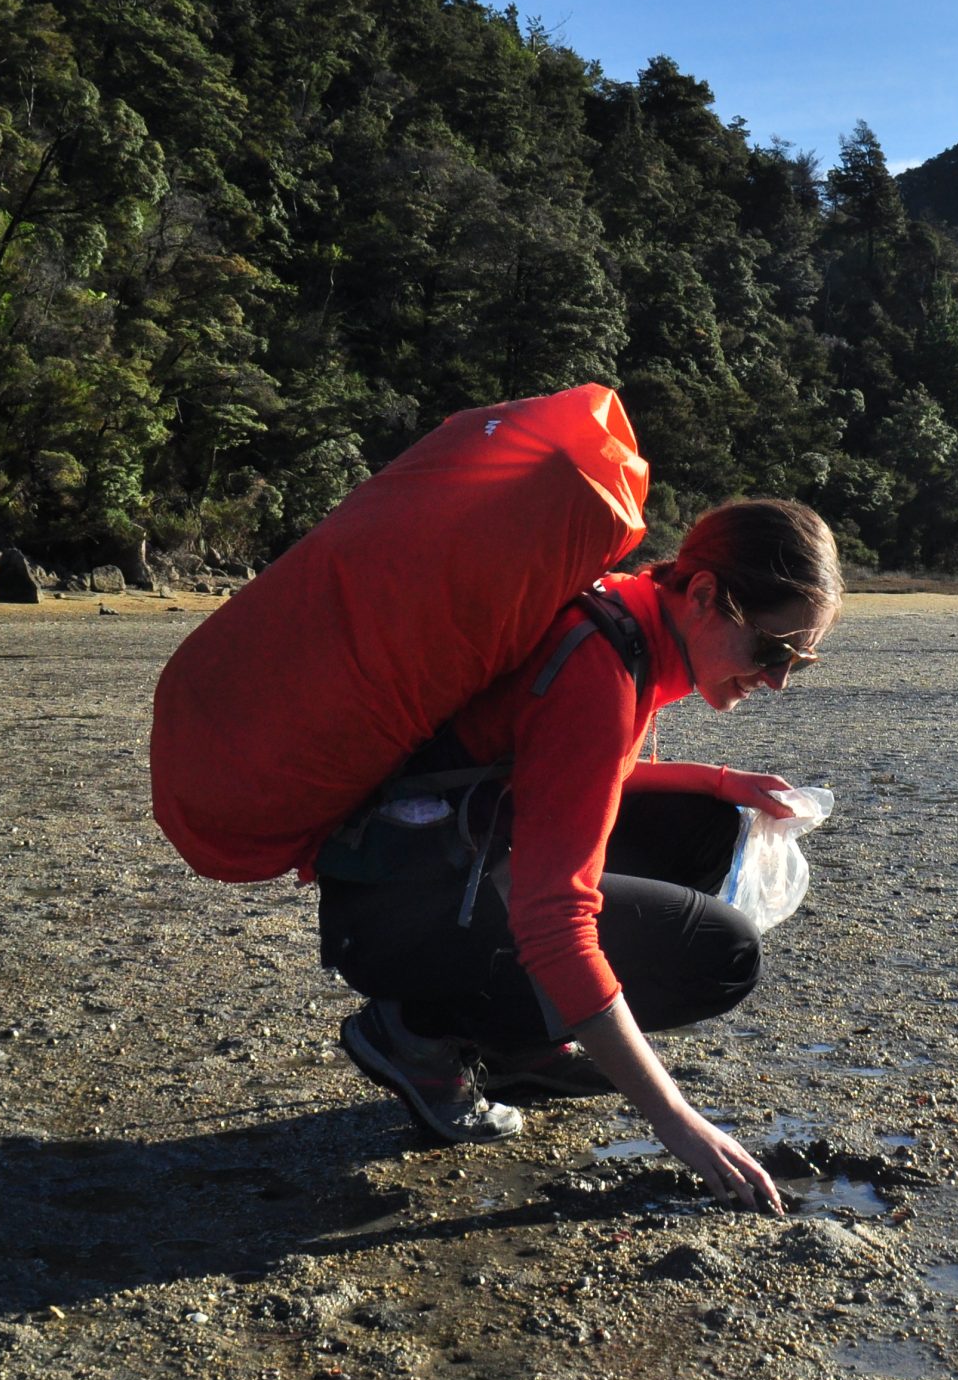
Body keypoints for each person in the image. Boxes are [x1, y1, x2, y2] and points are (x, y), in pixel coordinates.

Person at [319, 498, 839, 1215]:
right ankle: (420, 1031)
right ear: (705, 596)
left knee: (706, 826)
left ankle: (517, 1049)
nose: (778, 679)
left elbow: (578, 772)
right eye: (773, 651)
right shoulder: (595, 670)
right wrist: (676, 1121)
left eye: (799, 661)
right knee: (722, 955)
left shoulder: (624, 618)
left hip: (419, 880)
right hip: (397, 921)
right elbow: (555, 923)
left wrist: (723, 783)